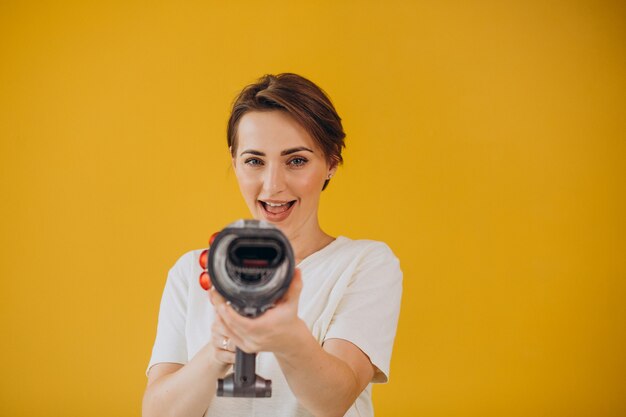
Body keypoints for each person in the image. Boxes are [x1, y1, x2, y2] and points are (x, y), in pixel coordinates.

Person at [143, 73, 402, 417]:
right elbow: (157, 412)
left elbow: (334, 400)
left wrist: (286, 335)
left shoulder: (365, 263)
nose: (273, 184)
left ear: (332, 162)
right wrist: (221, 348)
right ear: (234, 161)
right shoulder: (193, 271)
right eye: (254, 161)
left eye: (296, 160)